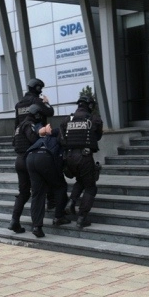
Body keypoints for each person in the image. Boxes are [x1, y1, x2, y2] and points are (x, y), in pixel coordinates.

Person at [60, 94, 104, 228]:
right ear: (90, 105)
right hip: (84, 157)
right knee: (91, 187)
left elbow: (61, 138)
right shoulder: (93, 119)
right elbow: (98, 136)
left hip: (69, 157)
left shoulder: (67, 119)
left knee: (80, 180)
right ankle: (82, 218)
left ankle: (71, 202)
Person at [14, 78, 57, 210]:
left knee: (24, 187)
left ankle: (16, 218)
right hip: (37, 139)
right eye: (40, 88)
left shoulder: (19, 104)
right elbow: (50, 112)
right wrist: (47, 103)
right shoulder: (37, 101)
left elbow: (16, 124)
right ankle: (51, 201)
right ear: (37, 88)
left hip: (22, 142)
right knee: (47, 171)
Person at [25, 123, 70, 238]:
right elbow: (59, 162)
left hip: (30, 157)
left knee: (37, 194)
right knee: (60, 186)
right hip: (45, 157)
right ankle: (59, 216)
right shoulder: (59, 139)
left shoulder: (43, 138)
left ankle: (37, 227)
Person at [8, 104, 44, 234]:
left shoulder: (19, 126)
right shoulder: (29, 124)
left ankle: (14, 220)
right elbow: (32, 138)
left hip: (19, 160)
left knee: (23, 193)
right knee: (37, 192)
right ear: (36, 114)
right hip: (28, 159)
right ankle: (37, 226)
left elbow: (14, 143)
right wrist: (41, 135)